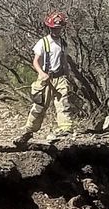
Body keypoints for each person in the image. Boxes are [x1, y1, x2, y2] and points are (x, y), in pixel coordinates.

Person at [16, 12, 74, 144]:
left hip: (60, 77)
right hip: (45, 78)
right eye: (54, 28)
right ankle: (28, 131)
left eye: (58, 28)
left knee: (63, 103)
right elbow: (35, 61)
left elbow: (64, 60)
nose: (56, 30)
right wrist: (41, 73)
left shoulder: (63, 44)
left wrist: (68, 74)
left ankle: (65, 130)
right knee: (40, 106)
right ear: (49, 28)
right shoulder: (43, 42)